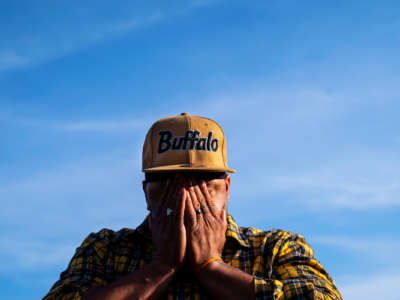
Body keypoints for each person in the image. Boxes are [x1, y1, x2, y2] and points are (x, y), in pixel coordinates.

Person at [43, 112, 342, 300]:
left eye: (201, 180)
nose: (185, 193)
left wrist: (212, 268)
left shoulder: (275, 249)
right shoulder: (105, 250)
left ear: (226, 188)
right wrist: (160, 268)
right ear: (147, 192)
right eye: (169, 181)